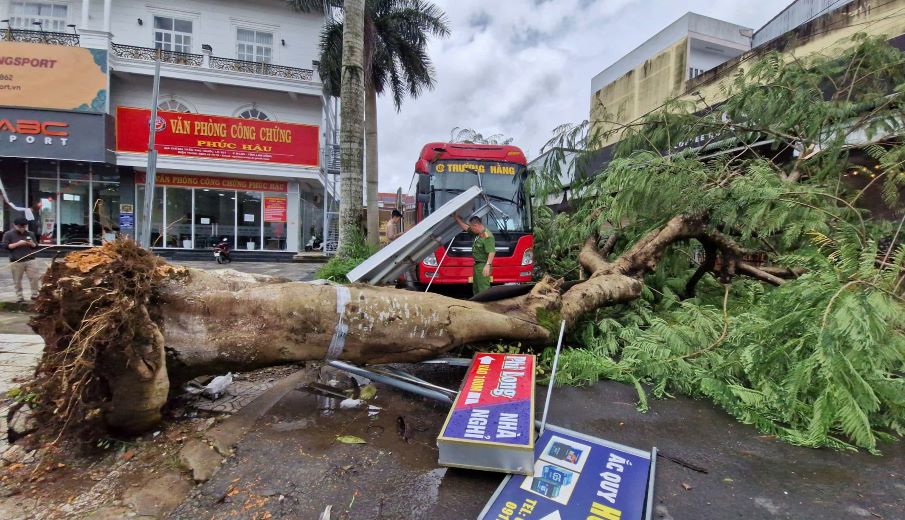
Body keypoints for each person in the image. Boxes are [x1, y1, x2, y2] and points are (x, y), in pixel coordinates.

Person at [453, 212, 496, 295]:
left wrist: (487, 265)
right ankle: (476, 305)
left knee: (483, 289)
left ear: (476, 226)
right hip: (477, 265)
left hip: (483, 266)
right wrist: (457, 219)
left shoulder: (488, 236)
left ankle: (484, 306)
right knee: (476, 288)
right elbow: (466, 228)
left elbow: (492, 251)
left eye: (472, 227)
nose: (471, 229)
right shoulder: (477, 233)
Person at [1, 216, 41, 303]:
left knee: (34, 278)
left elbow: (36, 246)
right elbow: (6, 246)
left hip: (30, 259)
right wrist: (18, 243)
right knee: (17, 280)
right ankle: (20, 297)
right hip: (16, 260)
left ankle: (35, 295)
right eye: (20, 227)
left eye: (24, 226)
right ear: (14, 225)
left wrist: (32, 244)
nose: (22, 228)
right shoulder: (8, 234)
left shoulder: (30, 234)